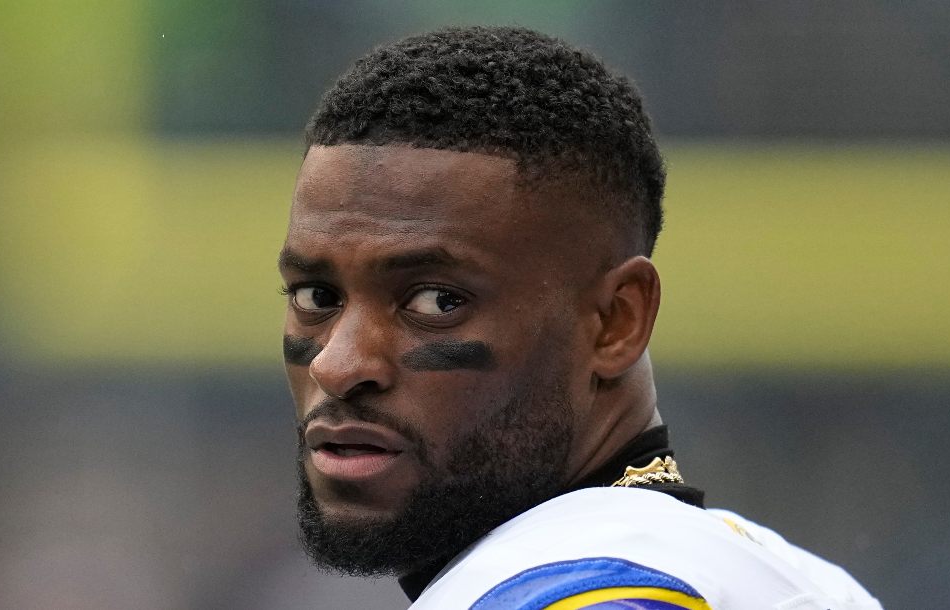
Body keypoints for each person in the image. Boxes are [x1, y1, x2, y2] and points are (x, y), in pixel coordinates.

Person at [279, 25, 882, 610]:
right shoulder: (791, 578)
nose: (338, 364)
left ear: (616, 322)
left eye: (436, 301)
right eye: (316, 297)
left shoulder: (590, 589)